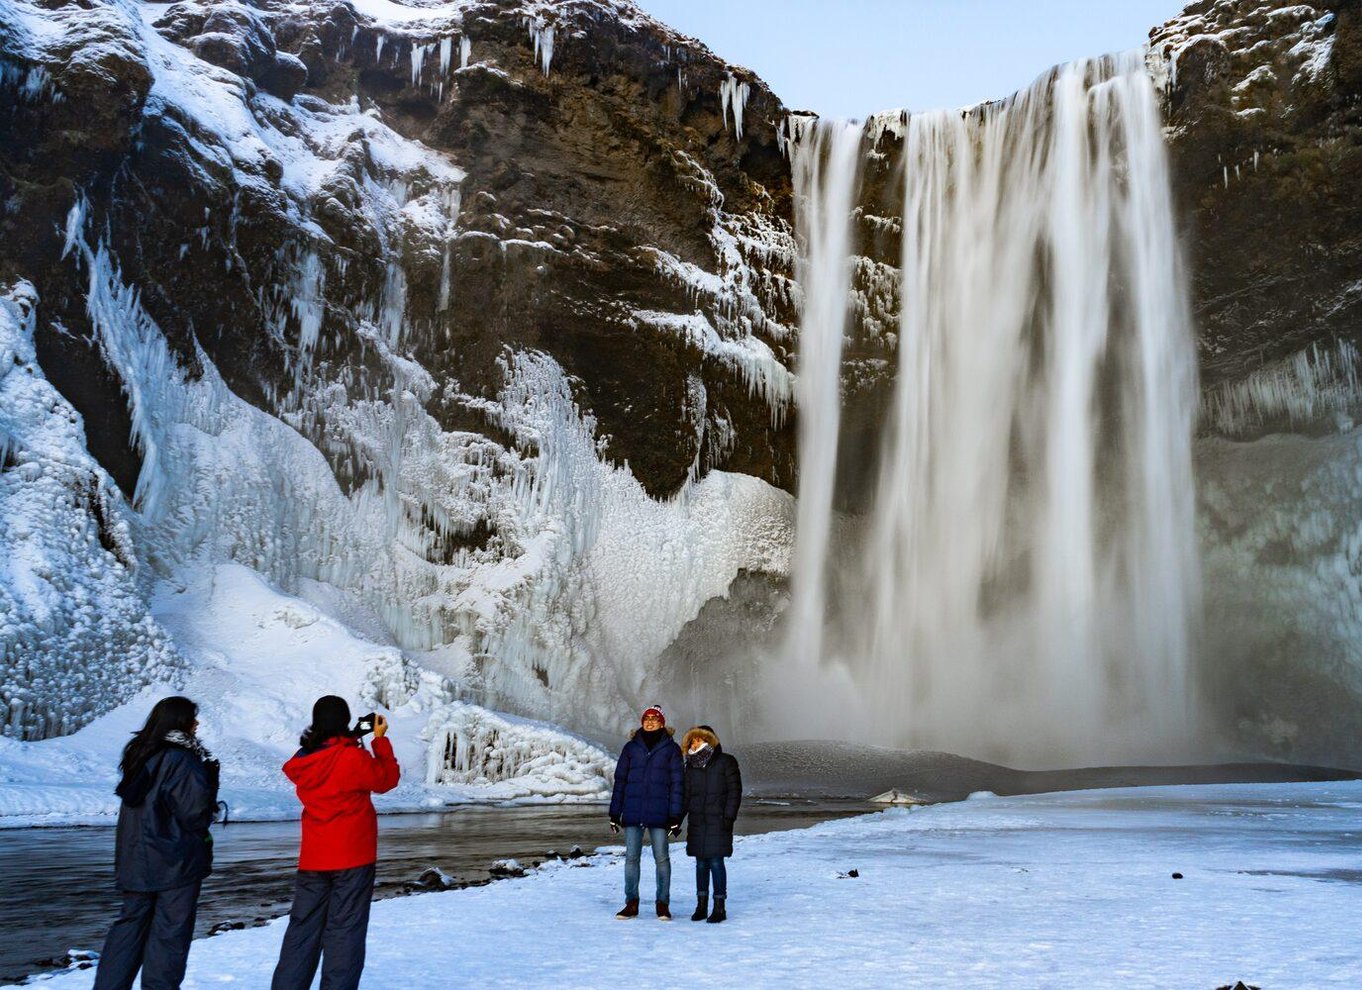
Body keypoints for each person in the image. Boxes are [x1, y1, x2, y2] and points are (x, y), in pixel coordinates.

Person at [271, 696, 400, 990]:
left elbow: (322, 754)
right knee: (345, 933)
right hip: (353, 857)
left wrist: (351, 737)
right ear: (344, 720)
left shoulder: (305, 760)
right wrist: (379, 741)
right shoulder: (352, 758)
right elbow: (386, 779)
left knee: (301, 931)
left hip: (313, 859)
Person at [93, 696, 220, 990]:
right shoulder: (182, 759)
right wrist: (210, 785)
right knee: (169, 936)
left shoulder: (140, 754)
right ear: (181, 722)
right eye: (193, 718)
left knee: (128, 930)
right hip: (175, 863)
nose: (197, 724)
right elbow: (195, 815)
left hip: (135, 861)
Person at [608, 704, 684, 920]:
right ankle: (631, 903)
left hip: (660, 813)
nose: (650, 721)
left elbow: (678, 784)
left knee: (662, 858)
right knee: (631, 859)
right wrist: (615, 813)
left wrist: (675, 816)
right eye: (646, 718)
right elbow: (620, 781)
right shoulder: (630, 748)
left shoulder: (672, 749)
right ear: (642, 722)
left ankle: (662, 904)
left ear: (662, 723)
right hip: (633, 811)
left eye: (655, 718)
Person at [680, 724, 741, 924]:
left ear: (710, 740)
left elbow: (734, 792)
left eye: (700, 739)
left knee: (716, 862)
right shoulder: (690, 765)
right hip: (697, 821)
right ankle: (701, 906)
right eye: (693, 740)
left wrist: (728, 817)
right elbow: (686, 796)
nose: (695, 743)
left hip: (718, 821)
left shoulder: (726, 762)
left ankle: (719, 907)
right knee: (700, 864)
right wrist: (676, 820)